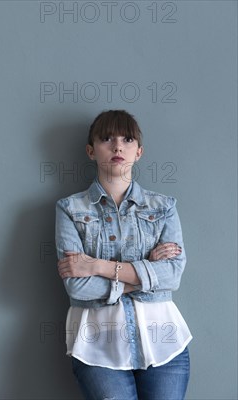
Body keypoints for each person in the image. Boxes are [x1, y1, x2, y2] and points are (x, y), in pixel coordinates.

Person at [55, 110, 192, 399]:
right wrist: (147, 274)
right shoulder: (70, 209)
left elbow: (173, 275)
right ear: (91, 151)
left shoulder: (164, 206)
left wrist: (96, 265)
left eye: (127, 139)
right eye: (107, 139)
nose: (118, 147)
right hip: (97, 348)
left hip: (165, 346)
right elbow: (77, 286)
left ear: (138, 152)